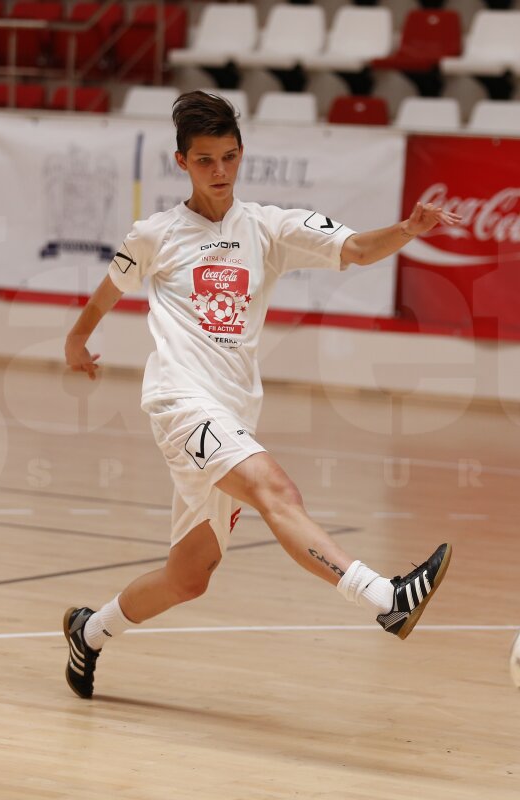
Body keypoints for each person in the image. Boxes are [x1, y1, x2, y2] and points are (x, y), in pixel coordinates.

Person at [61, 91, 457, 699]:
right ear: (181, 162)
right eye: (204, 161)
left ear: (241, 154)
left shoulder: (270, 227)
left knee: (189, 577)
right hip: (180, 404)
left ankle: (90, 633)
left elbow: (354, 249)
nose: (219, 173)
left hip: (234, 413)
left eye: (229, 157)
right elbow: (107, 293)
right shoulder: (154, 235)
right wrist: (76, 342)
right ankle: (387, 598)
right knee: (279, 490)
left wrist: (405, 230)